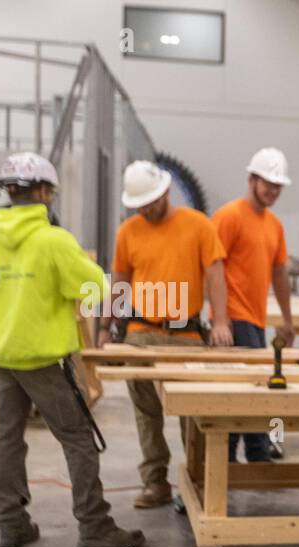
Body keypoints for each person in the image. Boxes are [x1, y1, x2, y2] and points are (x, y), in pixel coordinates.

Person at [0, 152, 145, 547]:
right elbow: (97, 290)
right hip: (47, 361)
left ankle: (12, 524)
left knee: (8, 439)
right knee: (78, 438)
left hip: (4, 359)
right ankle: (94, 525)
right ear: (44, 192)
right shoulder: (53, 241)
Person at [106, 159, 230, 508]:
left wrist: (220, 322)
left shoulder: (199, 225)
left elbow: (216, 273)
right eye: (139, 204)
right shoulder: (128, 232)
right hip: (140, 332)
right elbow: (119, 282)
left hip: (185, 334)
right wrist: (106, 326)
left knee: (192, 409)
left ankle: (196, 479)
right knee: (146, 412)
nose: (145, 209)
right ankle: (156, 483)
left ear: (164, 191)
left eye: (150, 201)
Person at [211, 147, 294, 462]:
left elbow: (279, 272)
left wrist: (287, 321)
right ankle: (230, 459)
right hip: (233, 320)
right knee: (240, 395)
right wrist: (219, 320)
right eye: (268, 183)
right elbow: (213, 267)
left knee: (260, 390)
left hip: (257, 320)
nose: (273, 191)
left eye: (278, 186)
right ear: (252, 179)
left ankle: (257, 454)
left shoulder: (274, 225)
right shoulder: (229, 217)